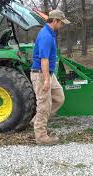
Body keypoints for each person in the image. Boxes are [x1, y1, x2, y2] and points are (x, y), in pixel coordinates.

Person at [30, 9, 70, 145]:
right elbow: (44, 60)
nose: (62, 25)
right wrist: (46, 79)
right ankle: (41, 137)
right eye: (61, 22)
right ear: (55, 21)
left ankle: (37, 121)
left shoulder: (51, 32)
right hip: (41, 73)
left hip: (48, 73)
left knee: (59, 98)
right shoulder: (46, 36)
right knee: (44, 105)